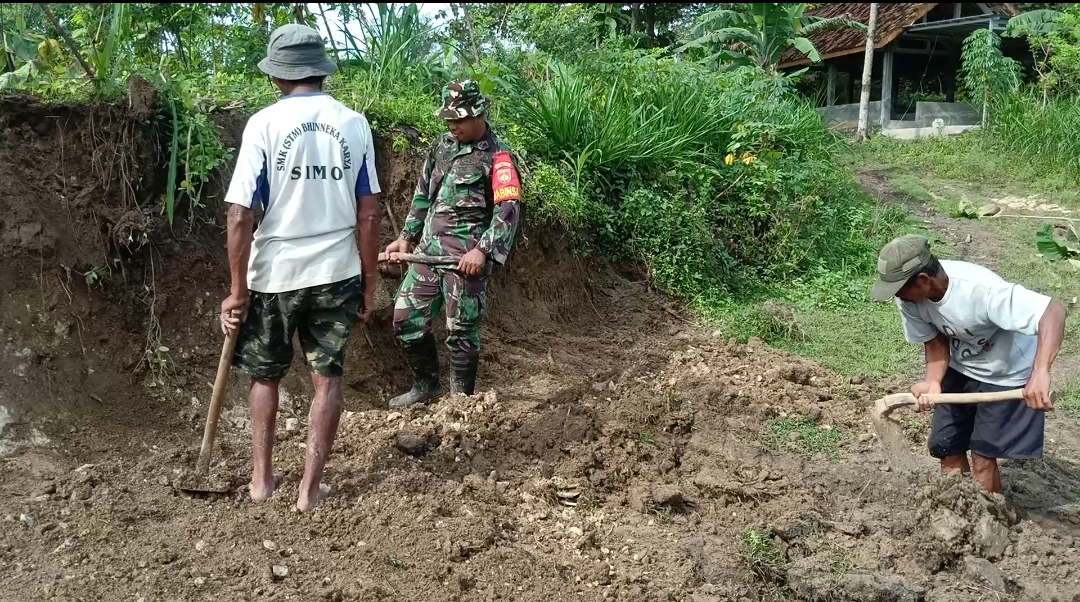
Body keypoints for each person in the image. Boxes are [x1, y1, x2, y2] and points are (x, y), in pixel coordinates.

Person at [218, 24, 381, 512]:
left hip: (274, 275)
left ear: (278, 75)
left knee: (265, 377)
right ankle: (309, 490)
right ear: (319, 70)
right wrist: (370, 283)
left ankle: (261, 480)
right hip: (336, 271)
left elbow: (240, 215)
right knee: (326, 380)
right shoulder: (353, 123)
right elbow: (369, 212)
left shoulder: (263, 124)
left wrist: (236, 290)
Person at [871, 234, 1065, 493]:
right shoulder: (909, 299)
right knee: (946, 447)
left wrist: (1040, 372)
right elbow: (935, 340)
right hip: (960, 368)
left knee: (983, 457)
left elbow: (1052, 311)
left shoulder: (981, 290)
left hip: (1006, 372)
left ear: (923, 280)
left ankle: (987, 524)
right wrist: (933, 380)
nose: (897, 296)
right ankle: (953, 516)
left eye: (899, 289)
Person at [383, 79, 523, 408]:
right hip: (428, 254)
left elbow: (508, 210)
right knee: (405, 318)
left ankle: (461, 402)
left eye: (459, 119)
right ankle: (426, 386)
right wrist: (406, 237)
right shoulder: (442, 146)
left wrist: (483, 250)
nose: (452, 125)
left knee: (460, 330)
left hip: (465, 261)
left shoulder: (499, 156)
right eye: (449, 119)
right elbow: (423, 194)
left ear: (479, 114)